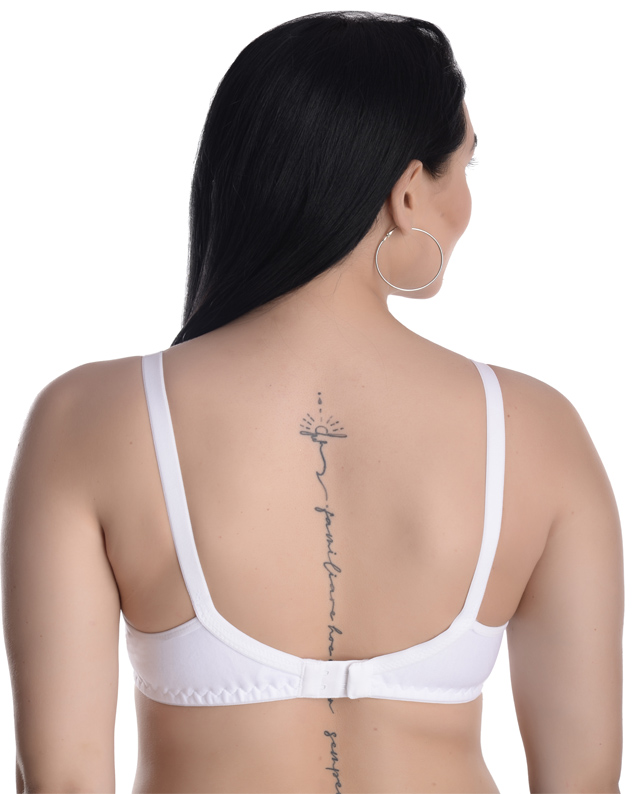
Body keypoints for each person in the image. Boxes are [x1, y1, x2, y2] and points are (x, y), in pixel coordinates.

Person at [1, 10, 624, 794]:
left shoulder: (89, 418)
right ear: (407, 192)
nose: (467, 201)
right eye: (465, 166)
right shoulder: (538, 432)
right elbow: (583, 780)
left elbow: (62, 779)